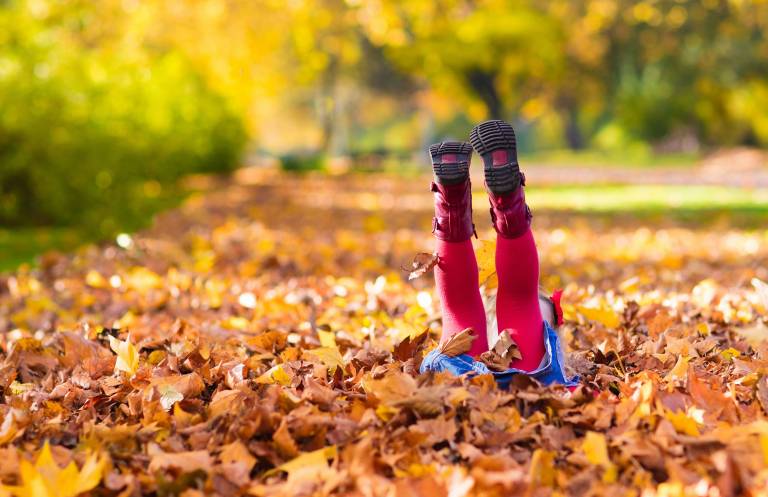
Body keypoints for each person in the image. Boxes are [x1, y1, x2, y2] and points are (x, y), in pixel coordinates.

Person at [419, 120, 578, 388]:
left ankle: (451, 201)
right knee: (521, 301)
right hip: (525, 380)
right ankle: (506, 204)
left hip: (464, 383)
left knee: (460, 311)